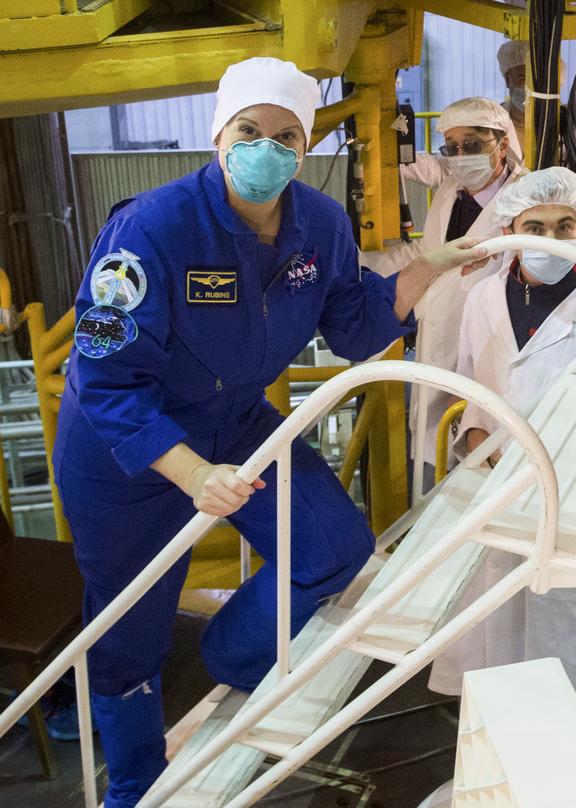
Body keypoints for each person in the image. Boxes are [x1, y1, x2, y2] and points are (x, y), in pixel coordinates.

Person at [51, 57, 487, 808]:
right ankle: (134, 785)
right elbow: (105, 381)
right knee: (131, 634)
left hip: (235, 420)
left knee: (335, 547)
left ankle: (233, 654)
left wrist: (425, 270)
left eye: (287, 136)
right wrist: (189, 476)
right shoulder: (152, 227)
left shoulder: (318, 224)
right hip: (124, 455)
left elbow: (352, 328)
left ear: (304, 146)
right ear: (219, 134)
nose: (267, 149)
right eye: (249, 131)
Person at [419, 165, 576, 808]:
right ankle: (488, 786)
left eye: (565, 226)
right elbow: (473, 389)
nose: (550, 238)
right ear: (510, 227)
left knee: (558, 662)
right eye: (535, 226)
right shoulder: (483, 298)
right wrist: (473, 440)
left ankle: (546, 795)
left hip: (575, 512)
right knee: (493, 656)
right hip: (496, 502)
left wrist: (571, 471)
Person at [364, 97, 527, 483]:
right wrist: (360, 264)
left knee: (485, 467)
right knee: (432, 467)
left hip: (491, 351)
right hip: (437, 341)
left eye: (472, 145)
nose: (460, 156)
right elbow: (427, 252)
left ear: (502, 144)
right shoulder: (451, 190)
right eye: (451, 148)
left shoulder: (525, 199)